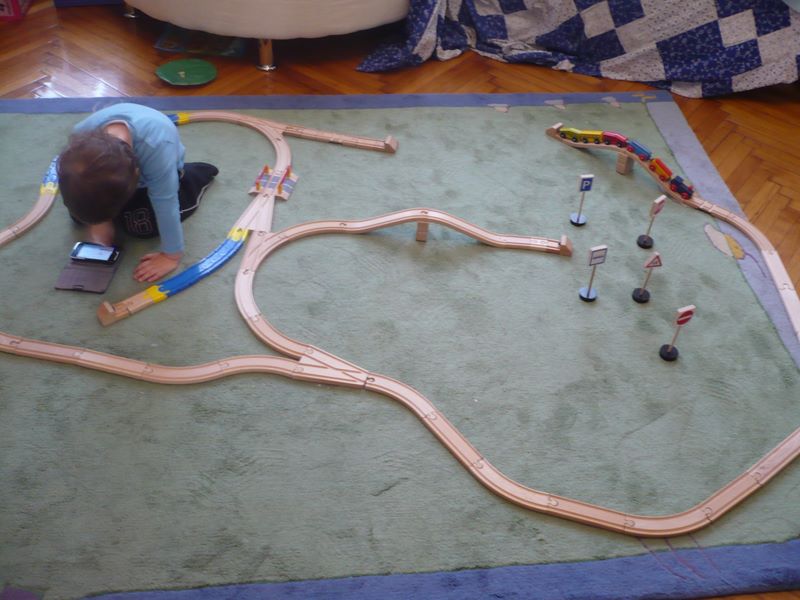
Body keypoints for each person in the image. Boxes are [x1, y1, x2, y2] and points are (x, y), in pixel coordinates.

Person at [57, 103, 218, 282]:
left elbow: (166, 203)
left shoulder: (156, 147)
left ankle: (195, 175)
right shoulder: (79, 137)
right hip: (120, 176)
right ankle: (103, 213)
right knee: (80, 213)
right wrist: (99, 222)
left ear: (136, 173)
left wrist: (171, 255)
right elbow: (74, 181)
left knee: (143, 227)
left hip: (161, 174)